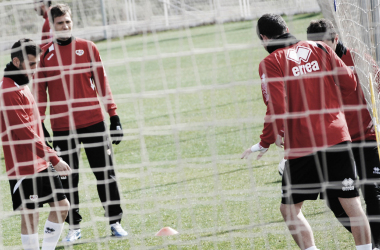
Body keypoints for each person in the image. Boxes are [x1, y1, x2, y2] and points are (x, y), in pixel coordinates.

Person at [241, 14, 372, 250]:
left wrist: (265, 141)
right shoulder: (321, 47)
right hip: (337, 138)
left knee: (290, 210)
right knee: (353, 205)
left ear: (264, 38)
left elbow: (275, 106)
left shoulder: (271, 61)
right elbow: (350, 84)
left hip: (303, 145)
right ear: (288, 28)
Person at [35, 4, 127, 242]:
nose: (65, 27)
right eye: (59, 24)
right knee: (67, 178)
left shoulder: (88, 48)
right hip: (62, 128)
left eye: (67, 22)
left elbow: (102, 84)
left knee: (105, 174)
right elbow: (39, 93)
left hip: (94, 122)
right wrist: (40, 124)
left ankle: (115, 222)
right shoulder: (44, 55)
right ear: (51, 26)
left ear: (71, 21)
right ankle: (74, 226)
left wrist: (114, 116)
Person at [307, 18, 380, 250]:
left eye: (323, 44)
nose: (317, 50)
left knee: (373, 195)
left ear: (336, 40)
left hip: (366, 137)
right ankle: (366, 235)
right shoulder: (312, 65)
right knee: (332, 197)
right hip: (337, 141)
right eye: (313, 45)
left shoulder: (358, 58)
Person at [0, 38, 71, 250]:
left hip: (40, 160)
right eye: (31, 64)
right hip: (23, 166)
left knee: (61, 206)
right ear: (16, 61)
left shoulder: (21, 83)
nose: (35, 68)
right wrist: (54, 157)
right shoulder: (8, 90)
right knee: (31, 216)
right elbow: (23, 133)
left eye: (36, 63)